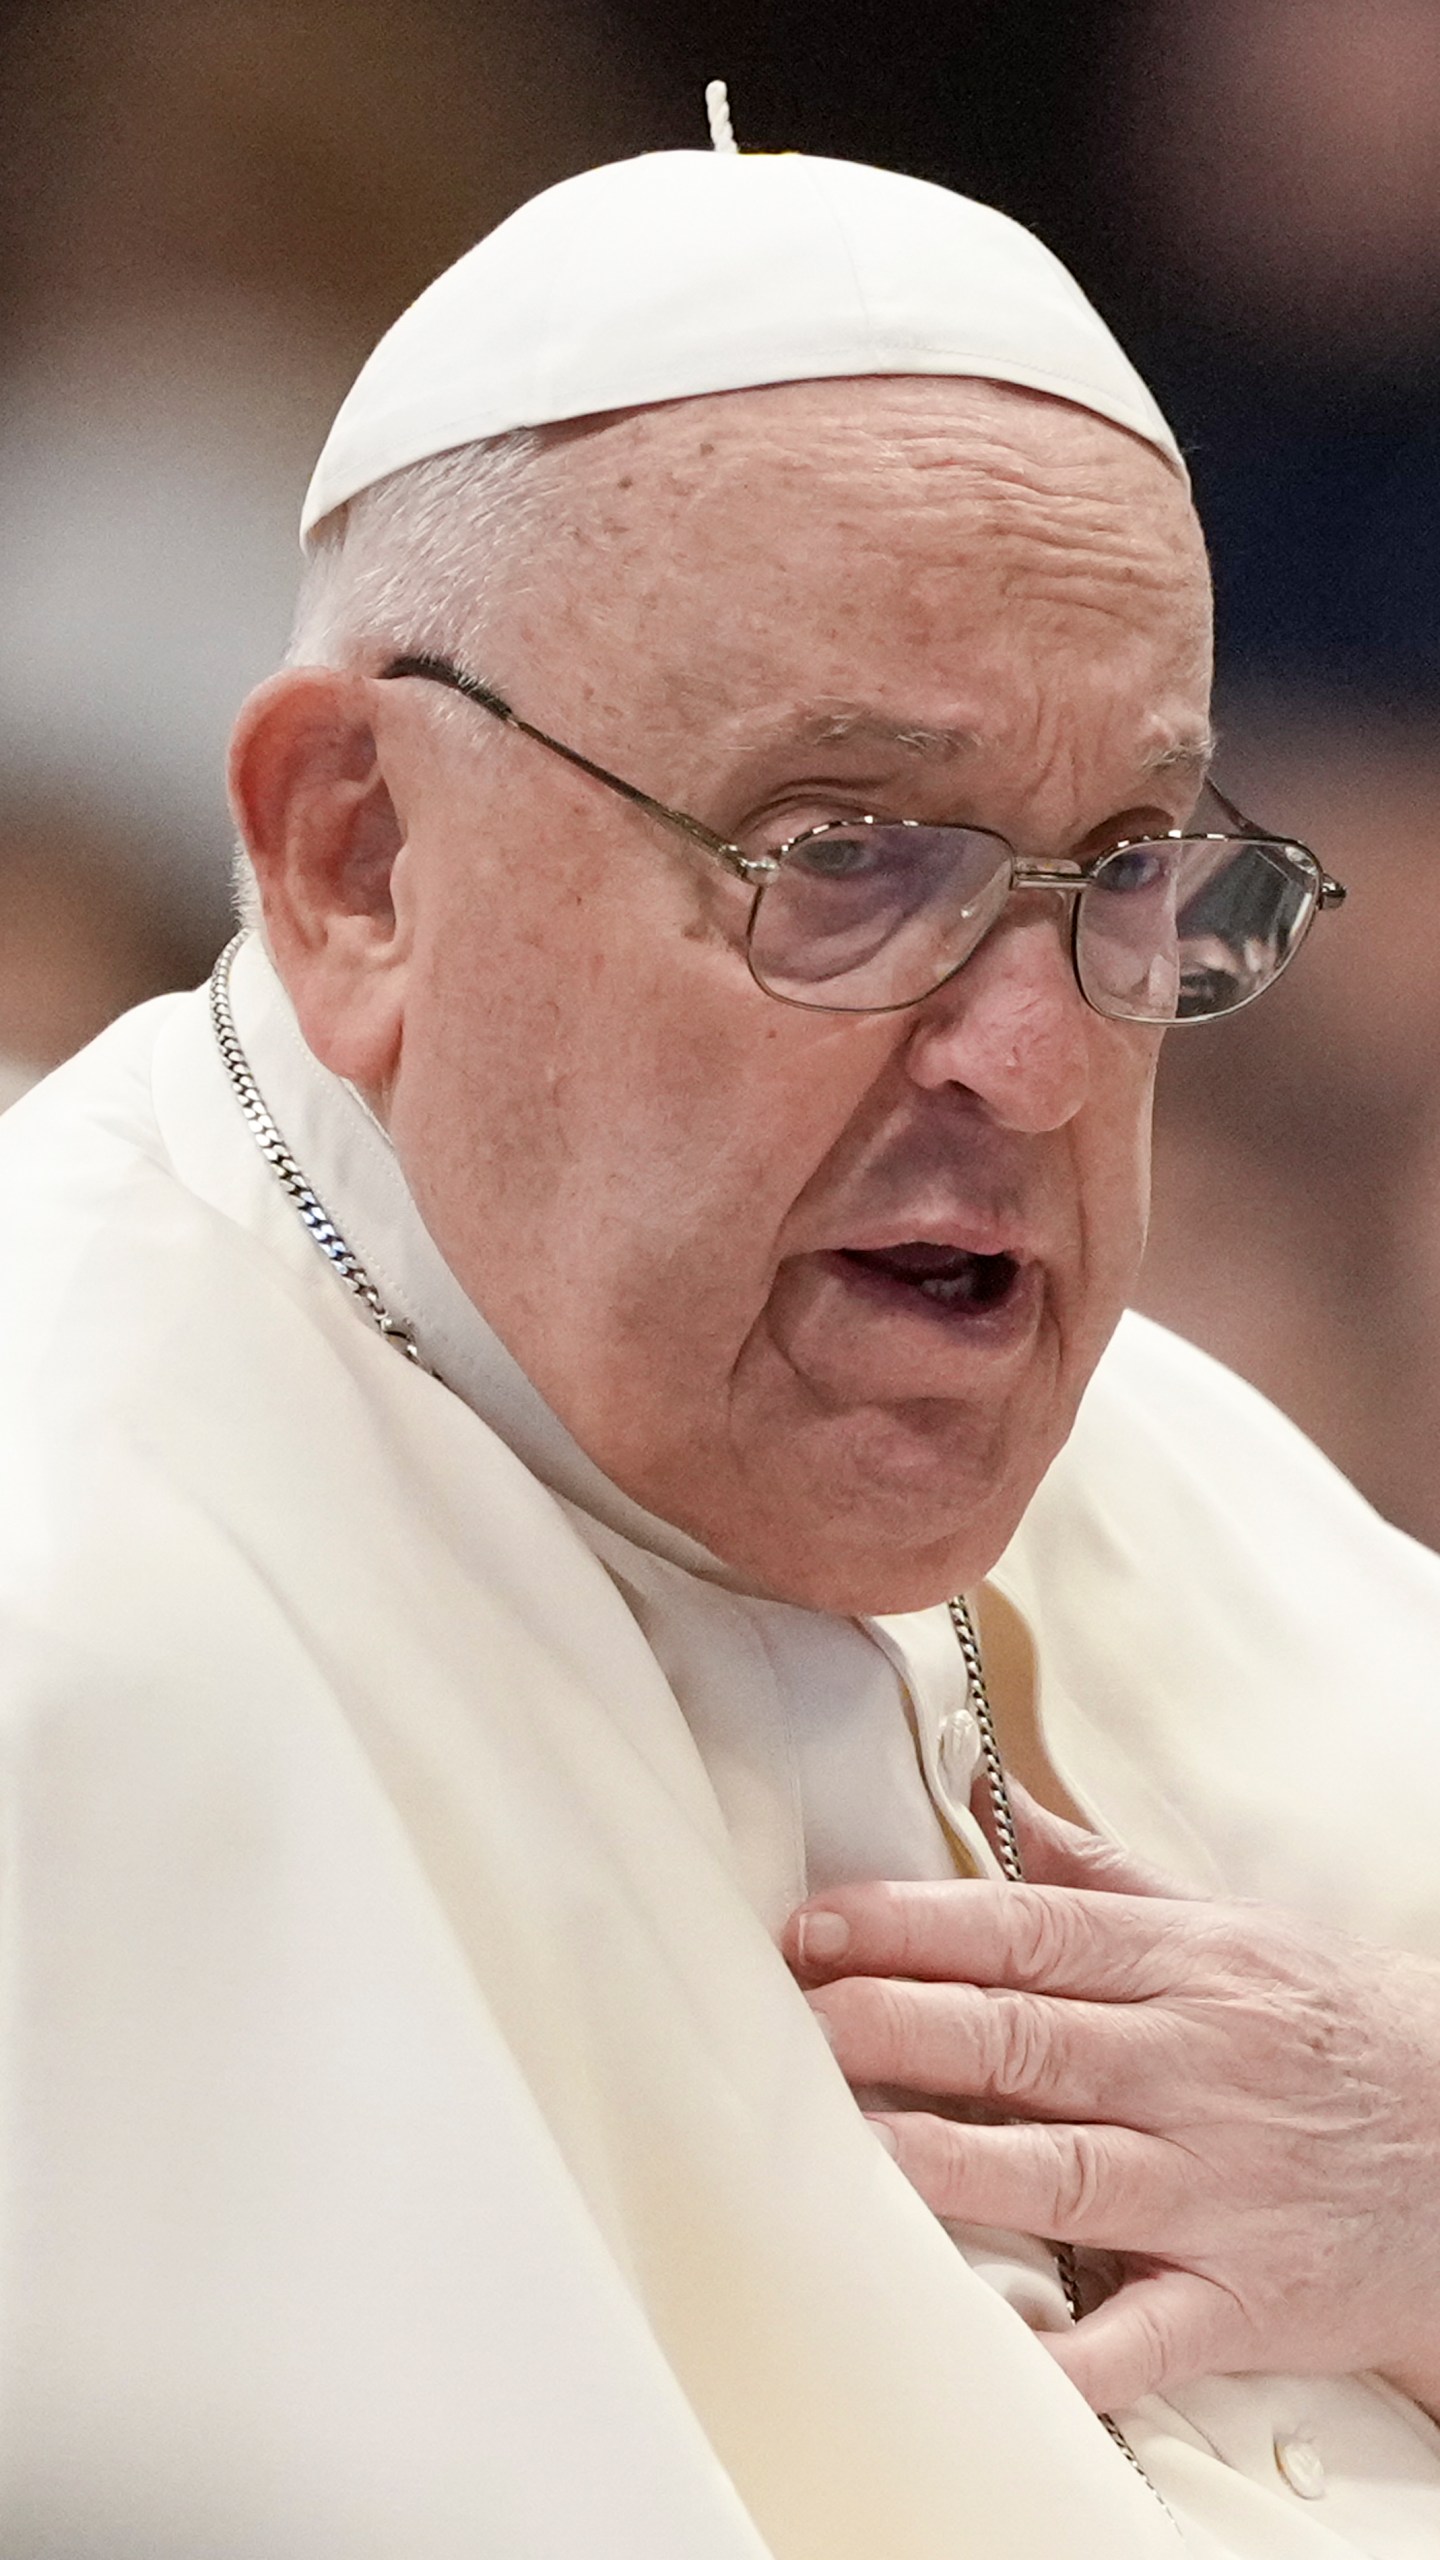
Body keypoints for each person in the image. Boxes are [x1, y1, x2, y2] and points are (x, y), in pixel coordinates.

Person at [3, 136, 1440, 2560]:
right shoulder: (74, 1606)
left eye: (1135, 872)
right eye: (851, 853)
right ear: (358, 854)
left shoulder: (1184, 1481)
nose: (1045, 1060)